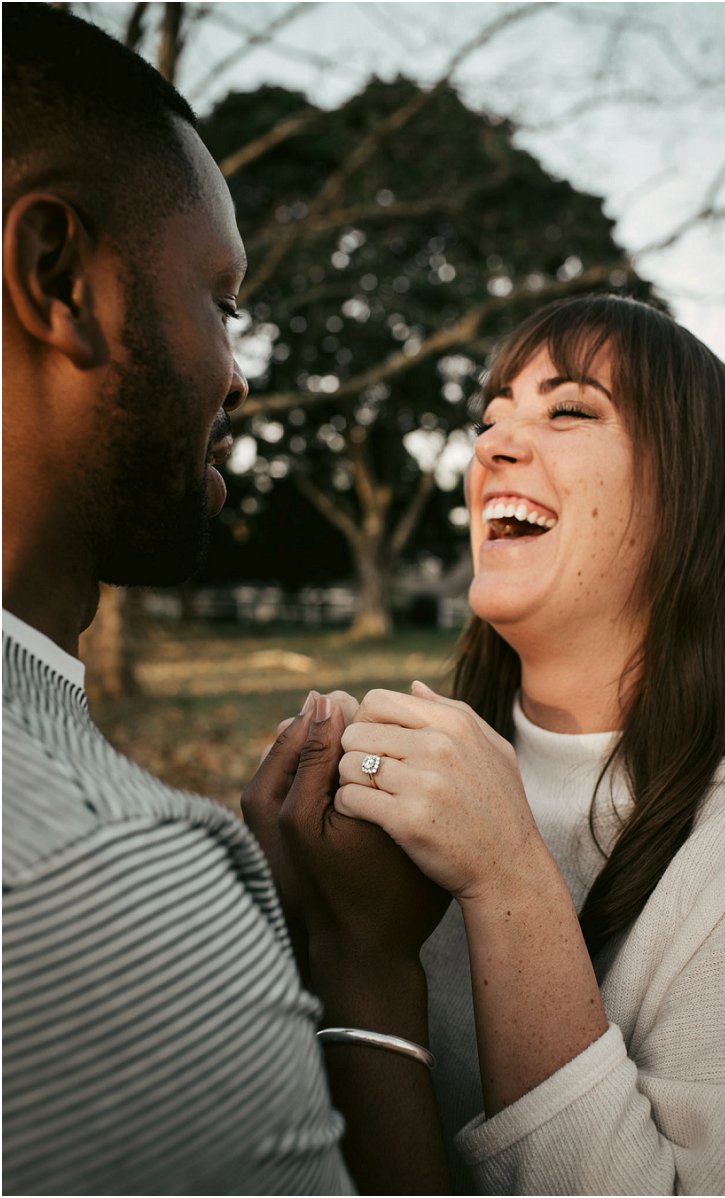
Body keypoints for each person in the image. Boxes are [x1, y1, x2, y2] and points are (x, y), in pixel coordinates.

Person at [3, 7, 451, 1195]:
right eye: (224, 301)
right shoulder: (103, 883)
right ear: (57, 279)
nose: (239, 377)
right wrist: (361, 963)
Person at [324, 295, 725, 1194]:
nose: (491, 447)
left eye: (568, 410)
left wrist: (507, 873)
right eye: (490, 418)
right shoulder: (397, 775)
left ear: (694, 491)